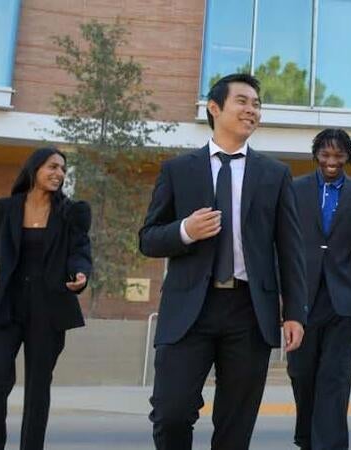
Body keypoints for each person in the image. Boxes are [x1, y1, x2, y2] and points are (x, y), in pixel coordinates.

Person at [139, 73, 307, 450]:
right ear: (214, 108)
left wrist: (295, 311)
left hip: (249, 311)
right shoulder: (178, 170)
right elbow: (148, 239)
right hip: (188, 312)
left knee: (235, 427)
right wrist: (185, 230)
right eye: (243, 101)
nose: (252, 110)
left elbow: (290, 248)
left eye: (257, 104)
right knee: (171, 413)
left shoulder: (275, 174)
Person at [0, 147, 92, 450]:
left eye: (63, 169)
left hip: (49, 309)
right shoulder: (3, 210)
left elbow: (80, 251)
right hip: (8, 308)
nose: (59, 174)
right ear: (34, 168)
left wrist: (81, 275)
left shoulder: (71, 212)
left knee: (38, 391)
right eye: (52, 167)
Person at [288, 128, 351, 450]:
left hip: (343, 300)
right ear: (316, 155)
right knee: (301, 374)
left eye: (338, 156)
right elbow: (281, 245)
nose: (331, 162)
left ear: (347, 158)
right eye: (326, 155)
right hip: (301, 301)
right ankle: (306, 439)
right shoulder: (295, 189)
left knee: (335, 379)